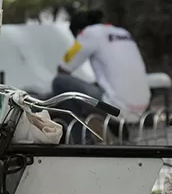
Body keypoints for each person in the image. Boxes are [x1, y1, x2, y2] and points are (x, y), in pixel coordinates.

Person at [53, 10, 151, 142]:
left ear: (78, 31)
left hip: (115, 107)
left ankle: (82, 143)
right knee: (97, 87)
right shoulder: (122, 32)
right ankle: (119, 133)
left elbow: (63, 68)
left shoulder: (88, 33)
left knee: (60, 82)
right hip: (142, 106)